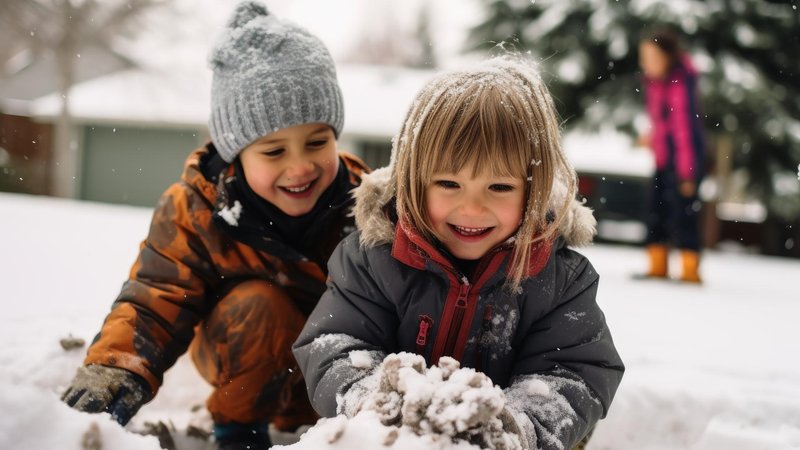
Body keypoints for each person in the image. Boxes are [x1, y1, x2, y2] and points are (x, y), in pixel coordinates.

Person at [60, 2, 368, 449]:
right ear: (235, 153)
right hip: (243, 365)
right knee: (260, 304)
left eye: (317, 142)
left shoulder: (367, 204)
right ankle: (239, 434)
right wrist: (115, 370)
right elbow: (155, 299)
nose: (300, 166)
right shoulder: (196, 210)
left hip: (335, 383)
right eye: (274, 151)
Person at [293, 57, 624, 450]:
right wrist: (374, 399)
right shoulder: (372, 259)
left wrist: (515, 427)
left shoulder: (558, 278)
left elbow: (573, 373)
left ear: (533, 190)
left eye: (499, 187)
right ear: (415, 182)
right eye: (449, 183)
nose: (471, 208)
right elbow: (334, 345)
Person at [637, 28, 706, 283]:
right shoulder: (655, 83)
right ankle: (657, 264)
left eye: (651, 57)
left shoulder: (680, 84)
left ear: (667, 57)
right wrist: (652, 138)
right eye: (643, 57)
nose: (646, 63)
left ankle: (690, 269)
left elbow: (684, 130)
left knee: (684, 213)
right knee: (656, 209)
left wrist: (687, 173)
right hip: (664, 158)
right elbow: (662, 123)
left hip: (684, 160)